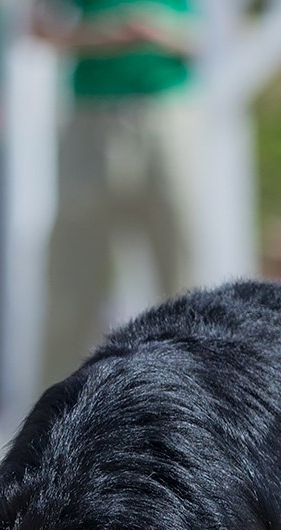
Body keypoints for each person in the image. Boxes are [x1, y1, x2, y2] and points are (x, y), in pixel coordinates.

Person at [35, 0, 201, 389]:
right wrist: (107, 35)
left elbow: (230, 31)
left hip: (169, 111)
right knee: (73, 280)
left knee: (181, 274)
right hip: (92, 116)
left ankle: (195, 403)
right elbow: (39, 26)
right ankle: (51, 418)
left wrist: (165, 34)